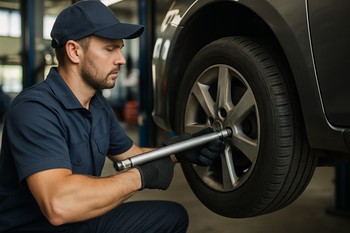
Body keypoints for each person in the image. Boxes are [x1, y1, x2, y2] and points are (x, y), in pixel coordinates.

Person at [0, 1, 225, 232]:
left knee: (172, 217)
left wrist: (181, 151)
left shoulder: (97, 106)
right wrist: (140, 177)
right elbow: (59, 205)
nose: (121, 59)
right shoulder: (34, 109)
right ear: (74, 51)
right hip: (37, 227)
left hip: (82, 221)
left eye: (120, 48)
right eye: (110, 49)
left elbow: (133, 155)